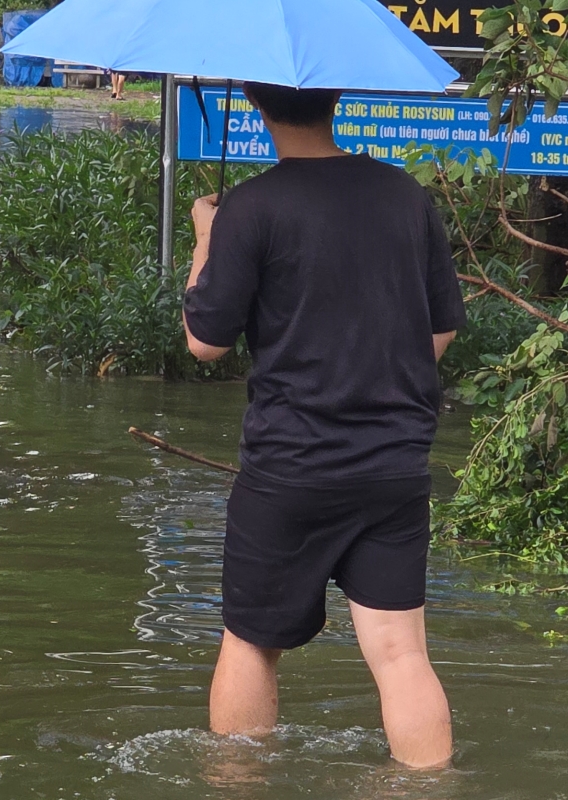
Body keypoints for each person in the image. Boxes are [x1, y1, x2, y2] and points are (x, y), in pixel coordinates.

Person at [182, 82, 466, 769]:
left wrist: (205, 241)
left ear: (256, 103)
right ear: (335, 98)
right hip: (395, 467)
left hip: (290, 469)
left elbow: (204, 342)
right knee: (401, 655)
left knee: (251, 641)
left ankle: (240, 786)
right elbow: (440, 329)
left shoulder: (250, 206)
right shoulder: (404, 195)